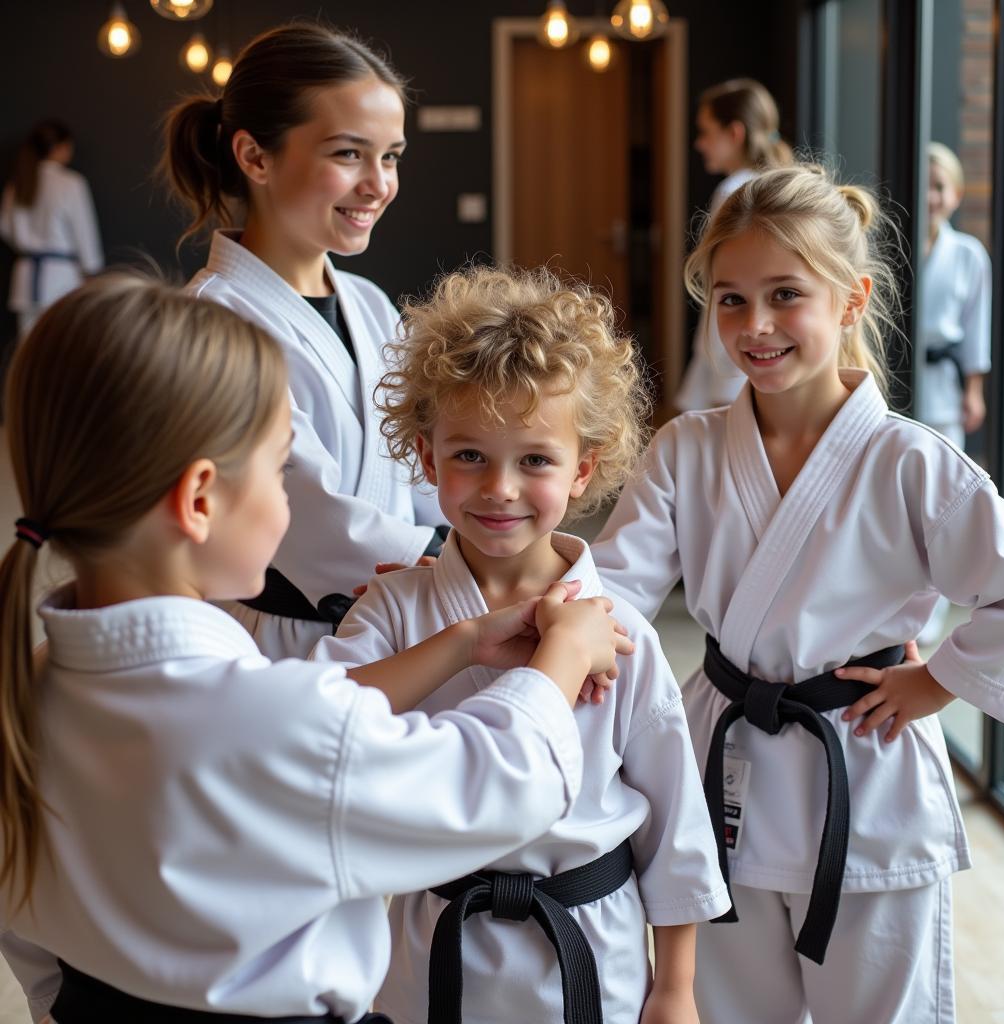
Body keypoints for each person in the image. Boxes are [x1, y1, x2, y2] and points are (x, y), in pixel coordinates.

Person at [0, 275, 634, 1024]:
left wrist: (462, 640)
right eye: (279, 469)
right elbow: (500, 784)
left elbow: (34, 956)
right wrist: (563, 651)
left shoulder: (28, 690)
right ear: (200, 500)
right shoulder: (272, 714)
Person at [591, 165, 1004, 1024]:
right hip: (726, 777)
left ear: (852, 298)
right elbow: (611, 589)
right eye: (729, 299)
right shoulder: (687, 449)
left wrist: (937, 680)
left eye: (785, 295)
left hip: (863, 773)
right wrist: (477, 586)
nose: (755, 327)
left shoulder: (910, 461)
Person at [312, 266, 729, 1024]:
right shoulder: (393, 611)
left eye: (535, 460)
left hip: (585, 951)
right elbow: (323, 722)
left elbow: (675, 825)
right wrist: (463, 642)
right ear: (427, 457)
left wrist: (676, 986)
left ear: (583, 471)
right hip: (430, 945)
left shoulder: (621, 633)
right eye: (470, 456)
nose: (500, 488)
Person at [162, 22, 446, 660]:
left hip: (412, 616)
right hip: (283, 642)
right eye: (348, 154)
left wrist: (479, 530)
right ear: (255, 157)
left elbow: (430, 455)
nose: (378, 184)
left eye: (391, 156)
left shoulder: (370, 304)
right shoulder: (210, 324)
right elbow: (302, 510)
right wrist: (456, 563)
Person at [675, 78, 793, 413]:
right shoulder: (777, 187)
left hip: (733, 353)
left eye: (706, 131)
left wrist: (720, 368)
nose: (700, 144)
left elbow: (726, 285)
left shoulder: (734, 194)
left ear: (735, 133)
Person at [917, 142, 993, 645]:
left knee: (947, 498)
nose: (930, 196)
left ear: (956, 194)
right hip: (902, 380)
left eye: (940, 186)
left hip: (943, 385)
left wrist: (974, 389)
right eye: (924, 184)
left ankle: (936, 609)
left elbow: (975, 328)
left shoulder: (969, 255)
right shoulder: (894, 245)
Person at [0, 119, 103, 341]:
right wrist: (91, 270)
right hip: (62, 278)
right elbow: (84, 233)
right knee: (61, 348)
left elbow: (5, 228)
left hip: (25, 277)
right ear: (61, 147)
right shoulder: (70, 183)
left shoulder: (17, 183)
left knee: (27, 349)